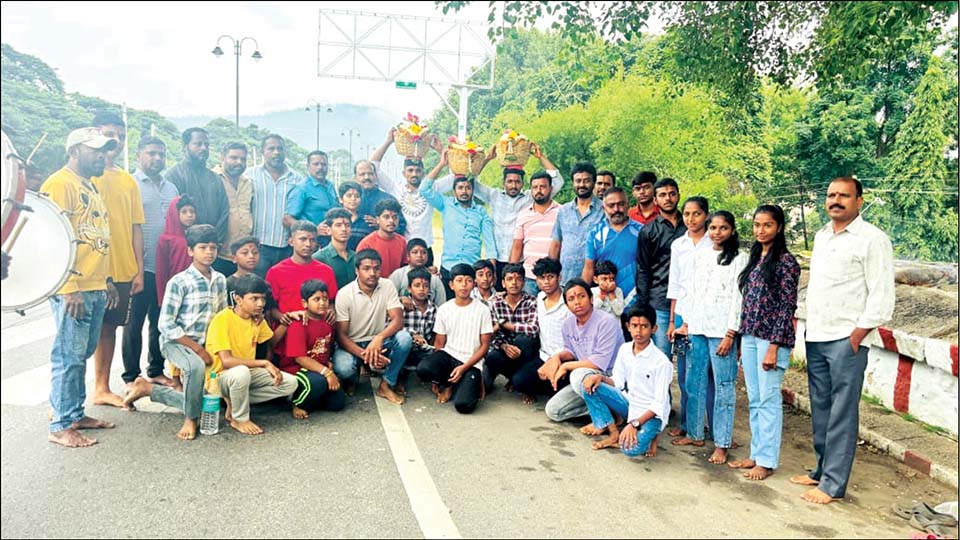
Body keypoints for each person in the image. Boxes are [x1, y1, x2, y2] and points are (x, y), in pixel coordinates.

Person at [790, 177, 894, 505]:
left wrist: (859, 334)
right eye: (831, 195)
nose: (836, 200)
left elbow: (881, 293)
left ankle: (833, 484)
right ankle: (821, 469)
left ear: (859, 201)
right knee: (820, 408)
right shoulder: (822, 236)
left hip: (847, 339)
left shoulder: (872, 239)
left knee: (842, 412)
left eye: (844, 196)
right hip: (818, 333)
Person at [40, 127, 116, 448]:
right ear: (74, 152)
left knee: (82, 353)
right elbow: (51, 238)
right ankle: (60, 425)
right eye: (96, 150)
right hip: (74, 285)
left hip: (95, 284)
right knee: (68, 356)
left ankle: (74, 413)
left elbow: (98, 236)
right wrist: (68, 285)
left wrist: (108, 279)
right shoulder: (60, 184)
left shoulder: (89, 185)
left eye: (105, 150)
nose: (104, 156)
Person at [122, 224, 227, 440]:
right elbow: (166, 325)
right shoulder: (179, 282)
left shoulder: (220, 280)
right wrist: (198, 349)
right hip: (177, 342)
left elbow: (221, 316)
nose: (209, 252)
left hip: (208, 344)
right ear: (190, 251)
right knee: (196, 367)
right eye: (202, 247)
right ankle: (191, 418)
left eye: (213, 247)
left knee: (213, 400)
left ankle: (149, 390)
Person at [728, 205, 800, 481]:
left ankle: (767, 461)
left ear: (779, 227)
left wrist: (774, 346)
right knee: (755, 399)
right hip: (749, 335)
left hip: (772, 340)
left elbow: (786, 308)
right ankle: (757, 454)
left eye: (767, 225)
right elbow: (748, 303)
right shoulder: (756, 258)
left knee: (769, 400)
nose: (760, 230)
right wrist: (739, 337)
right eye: (757, 225)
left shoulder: (786, 262)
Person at [672, 211, 747, 466]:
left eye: (723, 228)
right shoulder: (701, 255)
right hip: (697, 328)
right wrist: (686, 323)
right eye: (713, 228)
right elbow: (691, 291)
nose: (717, 232)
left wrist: (731, 334)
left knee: (724, 387)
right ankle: (694, 434)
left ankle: (722, 443)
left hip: (721, 332)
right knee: (695, 381)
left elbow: (739, 299)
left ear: (732, 231)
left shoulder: (740, 258)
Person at [89, 111, 146, 409]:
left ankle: (101, 387)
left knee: (109, 328)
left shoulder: (127, 180)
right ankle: (63, 397)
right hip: (89, 270)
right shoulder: (83, 176)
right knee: (76, 334)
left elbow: (137, 227)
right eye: (110, 134)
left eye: (121, 137)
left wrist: (138, 270)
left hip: (122, 268)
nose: (116, 142)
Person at [456, 143, 563, 287]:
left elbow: (557, 181)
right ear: (504, 182)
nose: (513, 185)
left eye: (517, 182)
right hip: (497, 260)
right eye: (510, 181)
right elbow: (471, 181)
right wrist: (488, 159)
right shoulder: (493, 195)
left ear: (523, 184)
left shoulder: (530, 197)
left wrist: (541, 157)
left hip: (520, 262)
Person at [206, 274, 297, 435]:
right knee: (241, 372)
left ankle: (235, 402)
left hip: (245, 374)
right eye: (254, 299)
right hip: (220, 377)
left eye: (262, 299)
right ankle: (239, 418)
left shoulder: (256, 319)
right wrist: (264, 363)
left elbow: (271, 341)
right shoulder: (222, 319)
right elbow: (226, 361)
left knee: (290, 383)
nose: (260, 303)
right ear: (238, 299)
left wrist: (288, 320)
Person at [122, 136, 179, 391]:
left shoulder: (171, 188)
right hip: (138, 267)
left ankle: (156, 370)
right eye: (151, 153)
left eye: (161, 154)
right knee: (133, 325)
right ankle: (131, 376)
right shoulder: (129, 184)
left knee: (160, 323)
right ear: (138, 156)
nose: (157, 158)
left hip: (164, 269)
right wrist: (133, 268)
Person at [580, 304, 672, 457]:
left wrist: (634, 425)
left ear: (654, 329)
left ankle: (651, 435)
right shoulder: (625, 349)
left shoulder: (661, 362)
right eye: (635, 326)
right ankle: (614, 434)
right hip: (630, 404)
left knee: (629, 450)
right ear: (628, 327)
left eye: (644, 326)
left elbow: (659, 404)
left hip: (651, 415)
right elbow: (618, 382)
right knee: (589, 385)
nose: (639, 331)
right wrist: (600, 377)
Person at [541, 279, 625, 423]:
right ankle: (608, 409)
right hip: (586, 376)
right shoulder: (567, 325)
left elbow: (598, 364)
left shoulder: (606, 321)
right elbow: (571, 351)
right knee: (554, 411)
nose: (577, 302)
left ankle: (604, 421)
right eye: (571, 299)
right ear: (567, 305)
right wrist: (556, 358)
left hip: (611, 377)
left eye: (582, 296)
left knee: (577, 375)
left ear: (591, 299)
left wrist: (565, 366)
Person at [333, 249, 412, 403]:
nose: (372, 273)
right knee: (344, 369)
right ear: (357, 270)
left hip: (378, 342)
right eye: (366, 268)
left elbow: (398, 320)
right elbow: (341, 336)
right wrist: (367, 355)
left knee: (404, 338)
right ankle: (352, 376)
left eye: (376, 268)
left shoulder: (387, 285)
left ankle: (386, 384)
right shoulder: (344, 294)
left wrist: (379, 337)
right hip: (353, 343)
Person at [665, 196, 714, 437]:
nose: (691, 219)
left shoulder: (713, 243)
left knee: (708, 375)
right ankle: (686, 426)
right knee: (684, 373)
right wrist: (673, 321)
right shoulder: (679, 245)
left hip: (707, 314)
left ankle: (713, 428)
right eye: (687, 214)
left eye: (696, 214)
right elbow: (674, 285)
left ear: (706, 215)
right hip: (683, 312)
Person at [416, 263, 493, 414]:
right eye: (459, 280)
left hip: (471, 362)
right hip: (450, 356)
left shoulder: (482, 310)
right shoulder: (445, 309)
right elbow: (439, 343)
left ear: (474, 284)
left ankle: (470, 380)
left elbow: (484, 346)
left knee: (463, 406)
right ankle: (450, 384)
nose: (464, 285)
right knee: (423, 369)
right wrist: (436, 378)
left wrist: (464, 368)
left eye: (468, 280)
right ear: (451, 285)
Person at [421, 153, 498, 289]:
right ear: (454, 190)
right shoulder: (445, 204)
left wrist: (493, 269)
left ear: (473, 190)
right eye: (460, 188)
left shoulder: (481, 211)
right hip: (449, 268)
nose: (464, 192)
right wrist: (441, 164)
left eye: (468, 188)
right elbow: (424, 189)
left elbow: (489, 242)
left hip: (472, 269)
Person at [370, 129, 447, 251]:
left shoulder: (432, 188)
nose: (414, 174)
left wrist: (441, 151)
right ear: (404, 173)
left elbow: (456, 176)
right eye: (410, 170)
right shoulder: (394, 188)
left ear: (423, 173)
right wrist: (388, 141)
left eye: (418, 171)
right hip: (401, 246)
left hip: (425, 248)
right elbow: (374, 166)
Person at [635, 178, 685, 359]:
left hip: (688, 303)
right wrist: (643, 305)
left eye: (672, 194)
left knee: (688, 358)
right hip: (659, 302)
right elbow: (643, 270)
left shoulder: (690, 226)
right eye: (662, 195)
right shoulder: (648, 232)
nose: (668, 198)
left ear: (678, 196)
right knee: (662, 358)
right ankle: (663, 389)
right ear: (655, 200)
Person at [281, 279, 346, 418]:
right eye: (316, 299)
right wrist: (327, 373)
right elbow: (300, 358)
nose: (322, 303)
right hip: (297, 370)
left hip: (318, 370)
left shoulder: (328, 323)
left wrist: (328, 366)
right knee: (318, 382)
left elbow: (324, 350)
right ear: (305, 303)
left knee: (338, 403)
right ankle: (296, 403)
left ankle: (313, 398)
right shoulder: (298, 325)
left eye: (325, 299)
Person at [512, 258, 573, 403]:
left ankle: (558, 389)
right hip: (544, 356)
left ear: (559, 277)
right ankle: (550, 388)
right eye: (541, 278)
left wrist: (557, 362)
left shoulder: (569, 302)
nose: (546, 282)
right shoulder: (539, 298)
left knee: (558, 391)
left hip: (565, 358)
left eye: (550, 277)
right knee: (518, 381)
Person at [266, 221, 339, 329]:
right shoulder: (276, 272)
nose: (308, 244)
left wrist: (331, 310)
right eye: (303, 239)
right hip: (288, 332)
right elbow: (269, 307)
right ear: (291, 241)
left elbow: (332, 300)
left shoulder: (326, 271)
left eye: (312, 240)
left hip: (319, 335)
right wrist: (282, 317)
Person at [163, 127, 229, 247]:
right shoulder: (174, 175)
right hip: (185, 247)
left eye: (206, 145)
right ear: (185, 147)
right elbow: (172, 216)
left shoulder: (215, 178)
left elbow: (224, 212)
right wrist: (191, 244)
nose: (203, 148)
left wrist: (213, 241)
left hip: (212, 249)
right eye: (198, 144)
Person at [250, 134, 305, 277]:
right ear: (262, 151)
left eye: (280, 149)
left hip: (287, 247)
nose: (276, 152)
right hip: (258, 246)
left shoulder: (297, 179)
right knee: (259, 291)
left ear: (285, 152)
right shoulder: (250, 176)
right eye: (271, 148)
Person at [484, 263, 540, 397]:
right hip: (504, 347)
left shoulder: (532, 302)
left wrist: (504, 323)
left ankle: (522, 382)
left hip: (525, 350)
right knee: (492, 358)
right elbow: (490, 333)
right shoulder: (494, 302)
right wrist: (504, 346)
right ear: (503, 283)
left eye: (518, 279)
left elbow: (533, 329)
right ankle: (511, 378)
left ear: (524, 282)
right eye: (509, 279)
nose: (514, 283)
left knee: (525, 340)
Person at [582, 187, 642, 307]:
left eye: (621, 204)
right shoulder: (595, 234)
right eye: (611, 205)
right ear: (604, 208)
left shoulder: (641, 231)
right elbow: (589, 268)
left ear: (628, 205)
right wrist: (582, 294)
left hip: (635, 300)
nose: (616, 209)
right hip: (605, 303)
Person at [549, 162, 604, 284]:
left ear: (594, 182)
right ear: (573, 183)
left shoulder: (604, 210)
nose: (582, 185)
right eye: (578, 181)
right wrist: (551, 273)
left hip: (595, 281)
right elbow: (556, 244)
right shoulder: (563, 210)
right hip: (565, 278)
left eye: (586, 181)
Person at [511, 171, 562, 296]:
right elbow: (517, 245)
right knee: (530, 313)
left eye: (543, 187)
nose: (539, 190)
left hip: (553, 276)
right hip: (529, 276)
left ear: (551, 188)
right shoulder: (523, 214)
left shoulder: (562, 212)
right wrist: (511, 272)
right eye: (535, 187)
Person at [212, 142, 254, 276]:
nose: (239, 162)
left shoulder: (248, 182)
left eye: (243, 159)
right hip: (219, 253)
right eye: (234, 158)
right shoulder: (212, 179)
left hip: (243, 255)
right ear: (222, 158)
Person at [286, 151, 338, 248]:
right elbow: (287, 219)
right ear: (308, 166)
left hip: (330, 243)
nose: (320, 167)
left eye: (323, 164)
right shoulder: (302, 188)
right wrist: (313, 230)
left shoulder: (330, 186)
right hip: (310, 244)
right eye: (316, 164)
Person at [351, 160, 407, 241]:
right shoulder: (350, 200)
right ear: (355, 178)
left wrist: (381, 225)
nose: (367, 177)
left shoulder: (388, 199)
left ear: (376, 176)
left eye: (370, 174)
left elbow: (401, 226)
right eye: (362, 174)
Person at [155, 196, 196, 303]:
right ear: (175, 214)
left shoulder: (198, 237)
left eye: (192, 211)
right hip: (174, 290)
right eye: (184, 212)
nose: (189, 215)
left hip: (194, 289)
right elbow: (161, 271)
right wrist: (162, 298)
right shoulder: (166, 239)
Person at [356, 198, 408, 277]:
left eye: (395, 217)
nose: (391, 220)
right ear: (377, 220)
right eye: (386, 217)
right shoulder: (366, 244)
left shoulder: (402, 242)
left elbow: (406, 269)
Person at [389, 238, 446, 307]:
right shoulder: (398, 275)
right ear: (408, 256)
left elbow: (441, 305)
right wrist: (400, 299)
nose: (419, 255)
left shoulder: (435, 279)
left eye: (424, 252)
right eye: (415, 252)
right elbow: (388, 298)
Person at [402, 268, 438, 371]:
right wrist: (413, 335)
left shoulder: (434, 310)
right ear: (409, 288)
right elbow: (391, 328)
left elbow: (435, 334)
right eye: (417, 285)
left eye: (425, 286)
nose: (422, 289)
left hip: (424, 351)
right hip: (406, 349)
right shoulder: (402, 306)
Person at [313, 208, 357, 289]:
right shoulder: (318, 258)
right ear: (329, 230)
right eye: (338, 225)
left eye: (347, 225)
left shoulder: (356, 257)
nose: (344, 229)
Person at [337, 181, 367, 251]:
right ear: (341, 199)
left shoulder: (366, 222)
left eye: (357, 196)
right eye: (349, 196)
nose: (353, 199)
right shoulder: (334, 220)